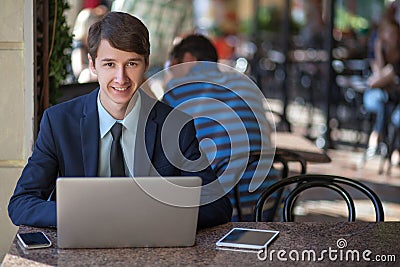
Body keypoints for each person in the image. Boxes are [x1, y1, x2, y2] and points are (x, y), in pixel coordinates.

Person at [8, 12, 232, 229]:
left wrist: (155, 214)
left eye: (132, 64)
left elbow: (217, 205)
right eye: (109, 64)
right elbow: (21, 203)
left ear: (146, 64)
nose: (120, 78)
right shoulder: (58, 122)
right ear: (92, 65)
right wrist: (78, 215)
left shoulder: (175, 125)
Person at [161, 34, 277, 221]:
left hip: (222, 207)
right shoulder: (246, 83)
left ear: (189, 59)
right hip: (269, 199)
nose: (171, 72)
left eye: (173, 64)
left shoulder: (176, 92)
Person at [111, 0, 194, 77]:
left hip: (159, 69)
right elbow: (114, 27)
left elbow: (184, 37)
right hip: (128, 65)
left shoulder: (185, 4)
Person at [363, 10, 400, 156]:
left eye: (395, 34)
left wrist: (380, 80)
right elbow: (376, 78)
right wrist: (378, 50)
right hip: (381, 97)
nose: (393, 37)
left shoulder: (398, 59)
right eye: (390, 34)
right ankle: (384, 141)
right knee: (381, 100)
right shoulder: (379, 51)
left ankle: (378, 136)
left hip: (394, 99)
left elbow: (376, 80)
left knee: (386, 103)